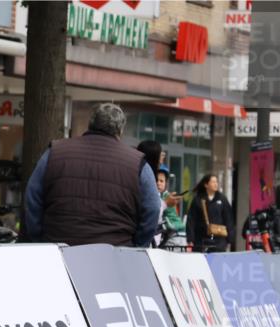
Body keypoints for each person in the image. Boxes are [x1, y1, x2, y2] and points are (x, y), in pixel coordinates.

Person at [23, 102, 161, 247]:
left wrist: (39, 237)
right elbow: (152, 208)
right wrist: (138, 245)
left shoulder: (54, 153)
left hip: (59, 252)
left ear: (90, 124)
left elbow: (33, 196)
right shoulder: (137, 164)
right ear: (120, 130)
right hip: (116, 254)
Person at [186, 174, 234, 253]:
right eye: (213, 182)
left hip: (219, 240)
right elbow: (191, 219)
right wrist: (190, 239)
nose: (216, 184)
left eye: (216, 182)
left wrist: (230, 238)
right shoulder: (198, 199)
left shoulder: (222, 199)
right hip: (201, 239)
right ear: (206, 185)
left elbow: (229, 218)